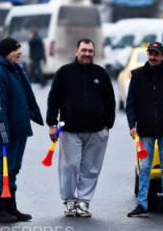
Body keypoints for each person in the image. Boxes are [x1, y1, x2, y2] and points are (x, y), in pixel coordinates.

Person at [46, 38, 115, 217]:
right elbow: (53, 99)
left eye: (90, 51)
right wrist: (52, 124)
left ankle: (83, 202)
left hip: (97, 131)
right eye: (84, 50)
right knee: (70, 166)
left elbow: (110, 101)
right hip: (69, 130)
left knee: (91, 168)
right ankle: (69, 201)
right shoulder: (64, 73)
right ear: (76, 51)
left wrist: (107, 126)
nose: (87, 54)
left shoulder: (101, 74)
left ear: (94, 52)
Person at [0, 37, 44, 223]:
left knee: (14, 168)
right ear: (6, 52)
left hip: (19, 128)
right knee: (4, 168)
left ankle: (10, 206)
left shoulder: (15, 69)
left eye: (20, 48)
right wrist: (2, 133)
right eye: (16, 49)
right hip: (6, 130)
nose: (20, 52)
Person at [126, 42, 163, 219]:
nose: (152, 57)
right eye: (150, 54)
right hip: (144, 130)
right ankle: (142, 205)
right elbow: (130, 104)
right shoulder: (137, 75)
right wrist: (132, 125)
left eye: (156, 54)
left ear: (162, 56)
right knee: (144, 168)